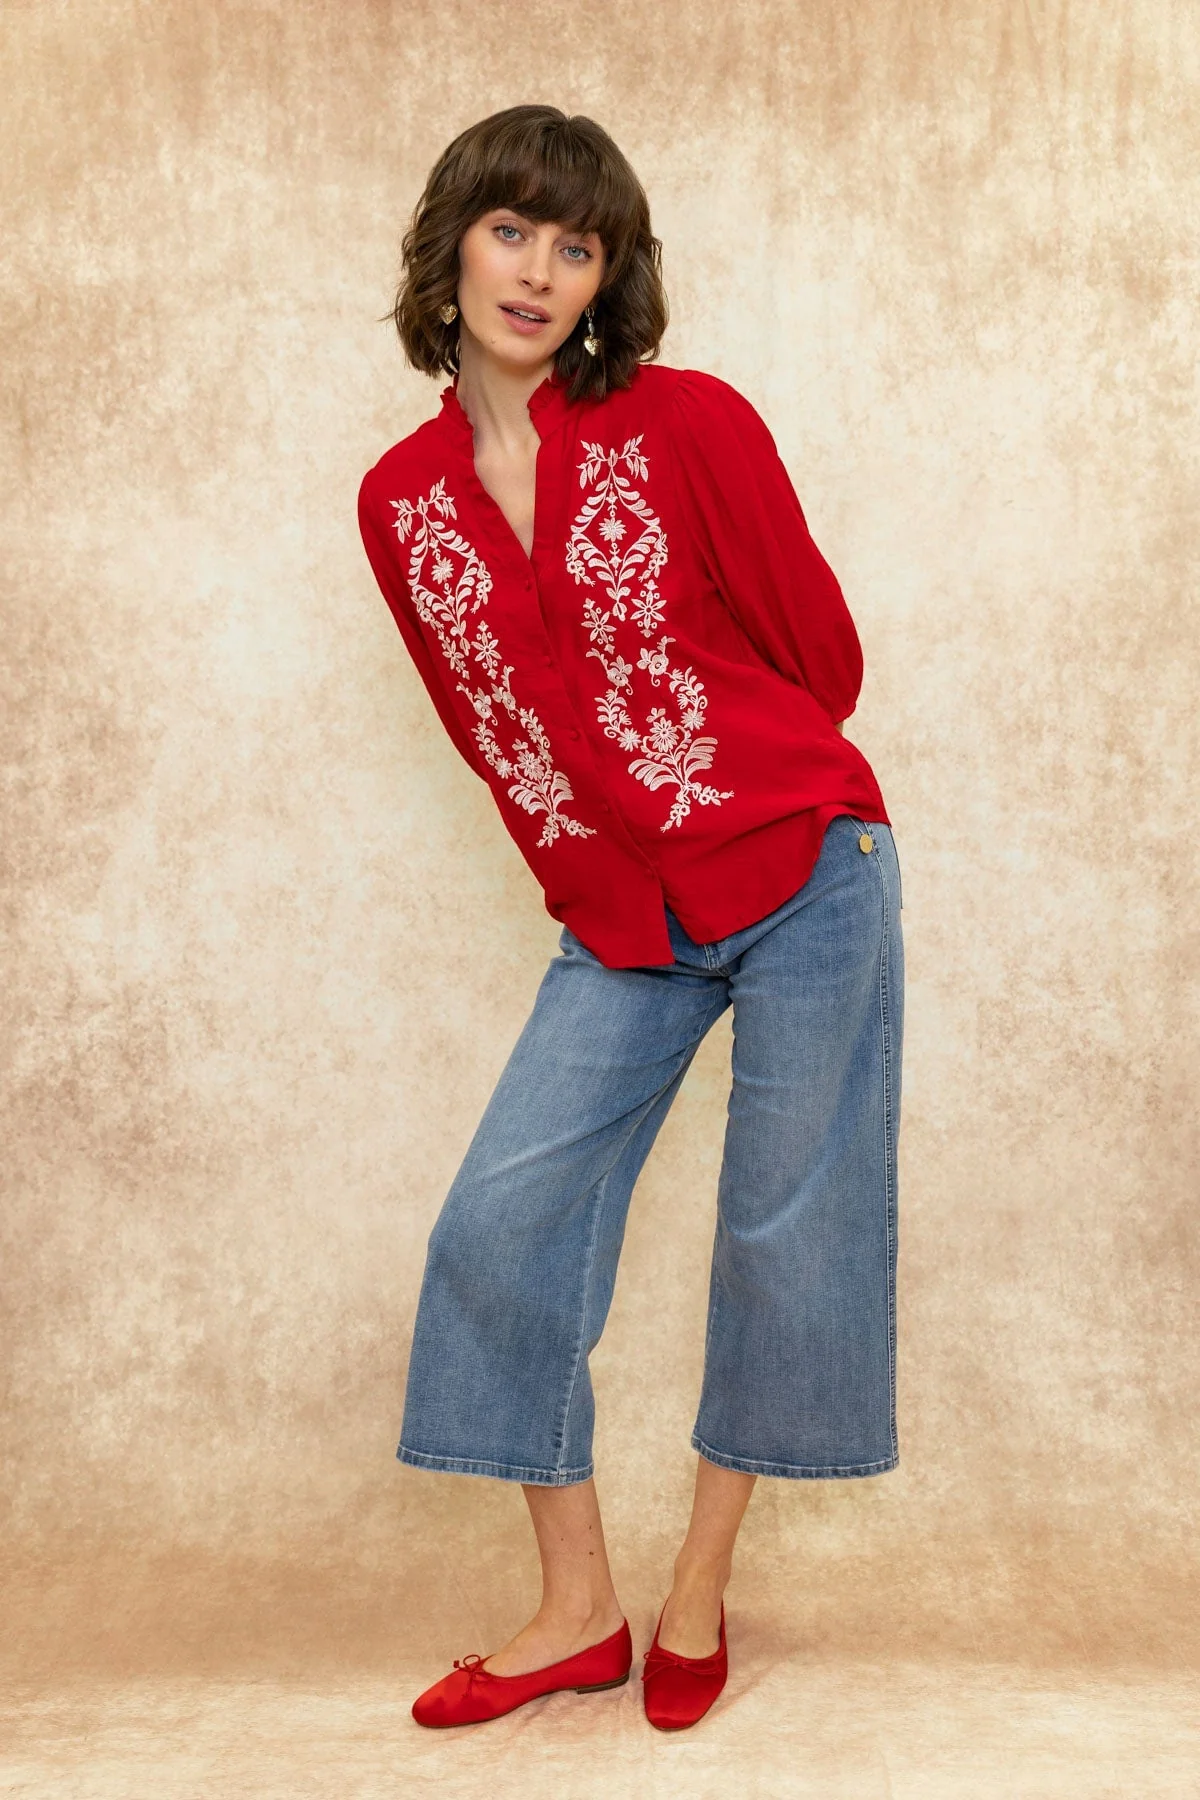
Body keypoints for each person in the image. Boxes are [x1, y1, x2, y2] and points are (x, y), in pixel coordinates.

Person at [356, 103, 905, 1733]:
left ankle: (692, 1599)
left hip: (806, 867)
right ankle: (574, 1609)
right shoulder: (401, 505)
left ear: (610, 278)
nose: (537, 269)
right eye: (512, 229)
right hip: (622, 923)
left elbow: (825, 658)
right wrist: (612, 866)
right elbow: (496, 740)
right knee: (498, 1229)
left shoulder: (689, 424)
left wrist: (714, 765)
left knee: (781, 1240)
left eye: (576, 244)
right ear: (452, 245)